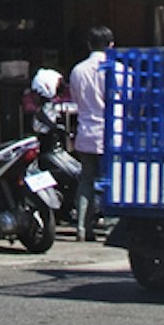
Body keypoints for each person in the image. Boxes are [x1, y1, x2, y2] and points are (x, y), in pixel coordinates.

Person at [68, 29, 113, 232]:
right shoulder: (117, 70)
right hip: (112, 135)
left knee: (86, 180)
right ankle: (111, 225)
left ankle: (82, 227)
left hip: (86, 133)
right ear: (111, 45)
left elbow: (75, 100)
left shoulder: (78, 71)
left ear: (88, 45)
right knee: (110, 181)